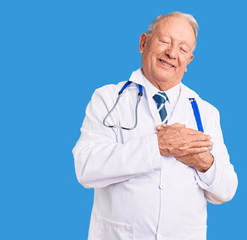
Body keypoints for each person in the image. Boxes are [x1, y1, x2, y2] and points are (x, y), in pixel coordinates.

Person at [72, 11, 238, 240]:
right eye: (164, 41)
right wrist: (157, 146)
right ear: (143, 43)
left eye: (182, 49)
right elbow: (86, 169)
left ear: (188, 60)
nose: (171, 53)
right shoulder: (108, 99)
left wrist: (205, 163)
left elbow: (226, 191)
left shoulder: (205, 112)